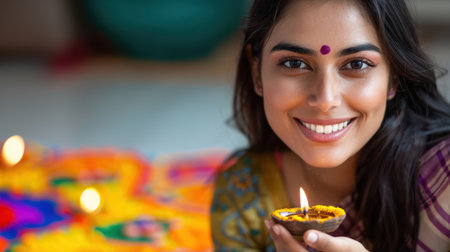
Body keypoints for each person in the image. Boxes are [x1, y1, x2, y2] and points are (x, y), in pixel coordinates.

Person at [210, 0, 450, 251]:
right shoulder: (242, 195)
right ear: (256, 70)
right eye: (294, 63)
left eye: (356, 64)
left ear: (394, 76)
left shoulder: (444, 181)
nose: (325, 100)